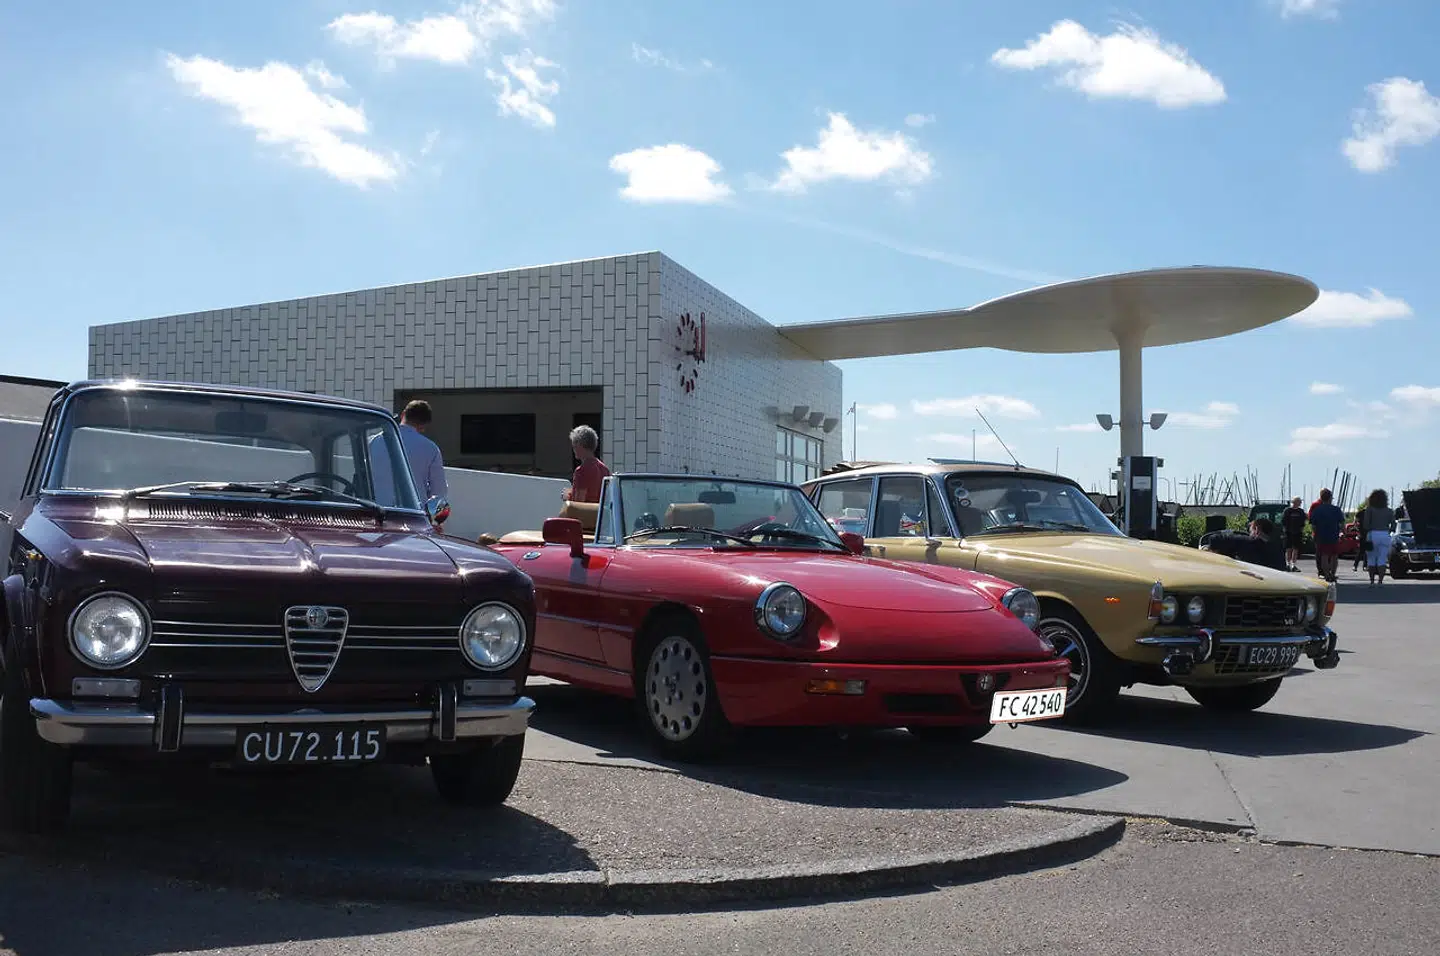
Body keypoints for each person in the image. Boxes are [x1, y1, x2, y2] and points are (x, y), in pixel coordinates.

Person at [371, 400, 448, 526]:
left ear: (403, 415)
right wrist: (437, 522)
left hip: (375, 515)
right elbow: (439, 491)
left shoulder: (374, 442)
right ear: (424, 426)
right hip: (413, 518)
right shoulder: (431, 449)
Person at [1205, 517, 1287, 571]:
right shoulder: (1278, 547)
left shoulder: (1248, 542)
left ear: (1257, 529)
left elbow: (1214, 538)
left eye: (1250, 530)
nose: (1249, 533)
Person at [562, 424, 610, 504]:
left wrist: (568, 497)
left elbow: (578, 504)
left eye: (574, 446)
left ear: (581, 445)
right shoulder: (605, 469)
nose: (573, 450)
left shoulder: (581, 471)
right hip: (599, 515)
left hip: (586, 516)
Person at [1308, 488, 1346, 583]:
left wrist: (1315, 534)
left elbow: (1313, 525)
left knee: (1324, 556)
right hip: (1333, 535)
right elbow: (1342, 524)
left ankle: (1326, 575)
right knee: (1334, 556)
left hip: (1321, 535)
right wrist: (1343, 533)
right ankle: (1332, 574)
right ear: (1330, 498)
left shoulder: (1317, 510)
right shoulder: (1336, 510)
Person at [1360, 488, 1395, 586]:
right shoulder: (1389, 511)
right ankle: (1380, 580)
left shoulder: (1369, 510)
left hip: (1372, 534)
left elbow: (1366, 525)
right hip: (1384, 534)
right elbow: (1393, 525)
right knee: (1382, 559)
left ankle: (1371, 580)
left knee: (1371, 559)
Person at [1281, 497, 1307, 572]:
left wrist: (1301, 528)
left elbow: (1303, 521)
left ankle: (1293, 565)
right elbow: (1284, 521)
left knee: (1296, 549)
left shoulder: (1301, 511)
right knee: (1288, 549)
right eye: (1299, 502)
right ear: (1294, 502)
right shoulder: (1288, 510)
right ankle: (1287, 564)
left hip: (1298, 532)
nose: (1300, 503)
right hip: (1288, 532)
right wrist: (1285, 529)